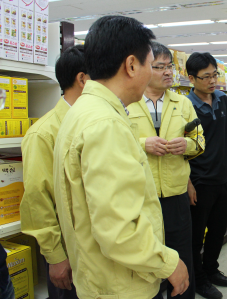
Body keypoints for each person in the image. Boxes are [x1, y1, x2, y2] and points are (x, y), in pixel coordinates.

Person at [53, 16, 188, 299]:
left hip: (99, 274)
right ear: (130, 65)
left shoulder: (81, 111)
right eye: (151, 65)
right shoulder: (105, 124)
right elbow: (118, 230)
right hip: (120, 284)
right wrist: (169, 263)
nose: (153, 73)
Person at [127, 42, 205, 299]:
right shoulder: (128, 103)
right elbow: (116, 142)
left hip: (175, 195)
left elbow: (199, 141)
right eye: (159, 66)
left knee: (181, 254)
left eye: (169, 66)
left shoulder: (182, 103)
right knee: (147, 258)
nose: (168, 72)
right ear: (144, 68)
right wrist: (143, 144)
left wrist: (187, 145)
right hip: (141, 197)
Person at [21, 45, 87, 299]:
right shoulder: (44, 133)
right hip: (68, 251)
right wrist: (56, 256)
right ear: (82, 80)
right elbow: (38, 199)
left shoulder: (93, 123)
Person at [186, 52, 227, 299]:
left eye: (214, 74)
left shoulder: (222, 98)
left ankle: (212, 269)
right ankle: (199, 279)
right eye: (206, 77)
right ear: (191, 78)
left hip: (220, 177)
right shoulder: (186, 106)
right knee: (197, 235)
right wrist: (187, 182)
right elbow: (181, 149)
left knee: (218, 228)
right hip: (199, 180)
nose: (212, 80)